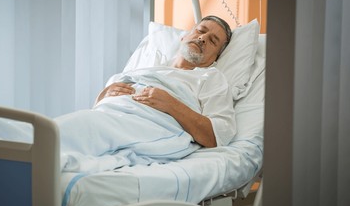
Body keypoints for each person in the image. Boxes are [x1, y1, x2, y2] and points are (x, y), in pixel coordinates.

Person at [57, 15, 236, 173]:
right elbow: (102, 108)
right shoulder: (148, 67)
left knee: (61, 133)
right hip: (111, 115)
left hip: (147, 125)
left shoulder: (211, 78)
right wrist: (102, 97)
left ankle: (42, 155)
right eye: (200, 31)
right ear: (183, 37)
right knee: (75, 127)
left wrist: (170, 104)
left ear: (215, 58)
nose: (202, 38)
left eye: (213, 41)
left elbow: (217, 135)